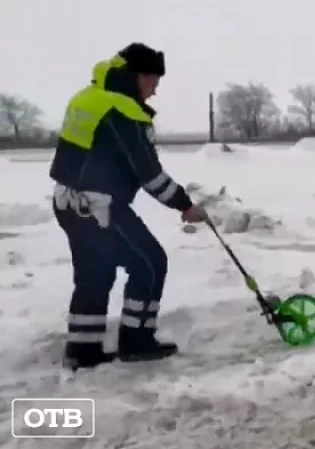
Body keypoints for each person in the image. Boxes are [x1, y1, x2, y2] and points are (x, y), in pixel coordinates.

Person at [49, 43, 207, 371]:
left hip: (67, 201)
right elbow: (149, 174)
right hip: (99, 206)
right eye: (153, 80)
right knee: (149, 263)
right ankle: (136, 340)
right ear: (137, 76)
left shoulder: (88, 98)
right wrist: (185, 205)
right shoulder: (123, 111)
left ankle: (83, 349)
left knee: (95, 273)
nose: (155, 89)